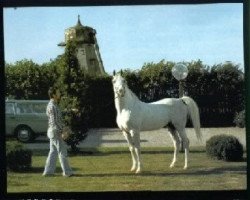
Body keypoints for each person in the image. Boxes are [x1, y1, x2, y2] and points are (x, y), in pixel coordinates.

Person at [43, 86, 73, 177]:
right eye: (58, 92)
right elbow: (54, 121)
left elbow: (57, 118)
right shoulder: (52, 106)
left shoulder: (54, 105)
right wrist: (63, 130)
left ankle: (48, 172)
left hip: (53, 131)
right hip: (55, 131)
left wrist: (70, 110)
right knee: (62, 152)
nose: (60, 94)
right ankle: (67, 172)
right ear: (54, 95)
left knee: (53, 152)